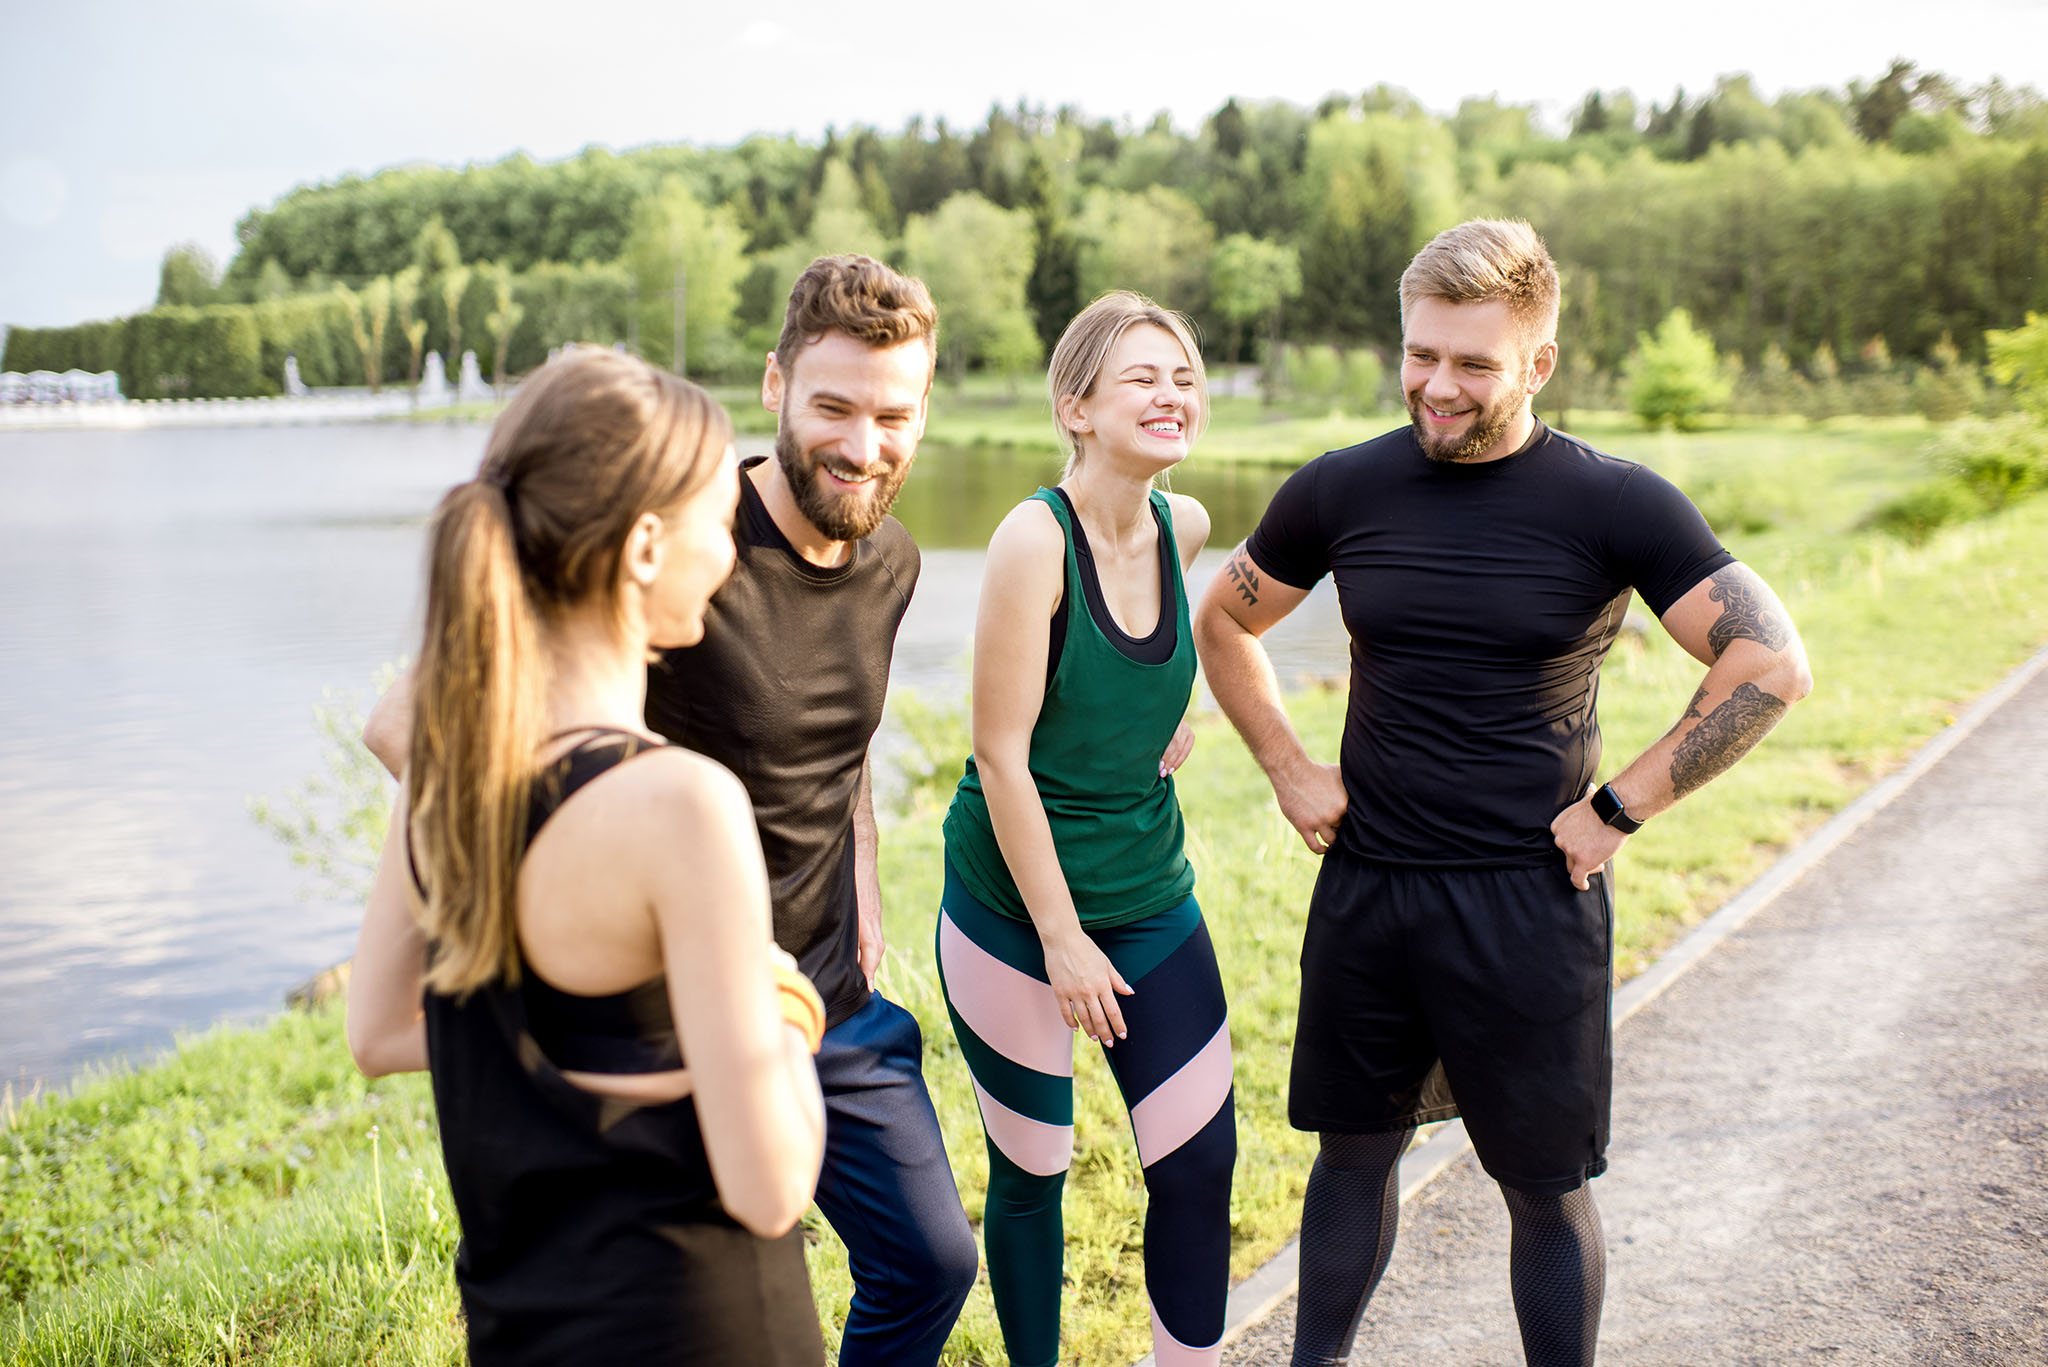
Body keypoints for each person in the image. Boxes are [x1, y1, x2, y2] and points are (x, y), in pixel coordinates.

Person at [1193, 219, 1813, 1367]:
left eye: (1471, 362)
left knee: (1542, 1186)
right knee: (1349, 1153)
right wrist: (1286, 763)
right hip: (1370, 887)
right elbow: (1223, 617)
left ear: (1537, 362)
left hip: (1527, 902)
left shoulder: (1612, 501)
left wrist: (1619, 805)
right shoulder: (1340, 486)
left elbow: (1768, 661)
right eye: (1420, 353)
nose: (1436, 384)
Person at [363, 255, 977, 1365]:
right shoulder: (669, 542)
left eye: (893, 413)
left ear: (925, 408)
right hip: (667, 1007)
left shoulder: (893, 561)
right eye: (833, 405)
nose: (861, 442)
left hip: (823, 995)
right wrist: (554, 921)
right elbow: (418, 716)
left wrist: (864, 889)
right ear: (775, 383)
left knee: (931, 1260)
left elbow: (844, 749)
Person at [346, 348, 829, 1364]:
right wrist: (783, 1006)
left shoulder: (451, 771)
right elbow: (773, 1182)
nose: (733, 548)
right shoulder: (680, 804)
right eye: (718, 516)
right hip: (698, 1327)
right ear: (645, 546)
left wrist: (632, 1061)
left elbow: (386, 1025)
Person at [938, 292, 1236, 1367]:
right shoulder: (1031, 540)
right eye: (1141, 378)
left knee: (1198, 1167)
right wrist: (1060, 937)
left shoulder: (1182, 524)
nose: (1171, 395)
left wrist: (1176, 713)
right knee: (1033, 1167)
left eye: (1183, 376)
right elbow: (998, 754)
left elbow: (1137, 675)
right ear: (1075, 406)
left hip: (1149, 895)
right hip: (1010, 907)